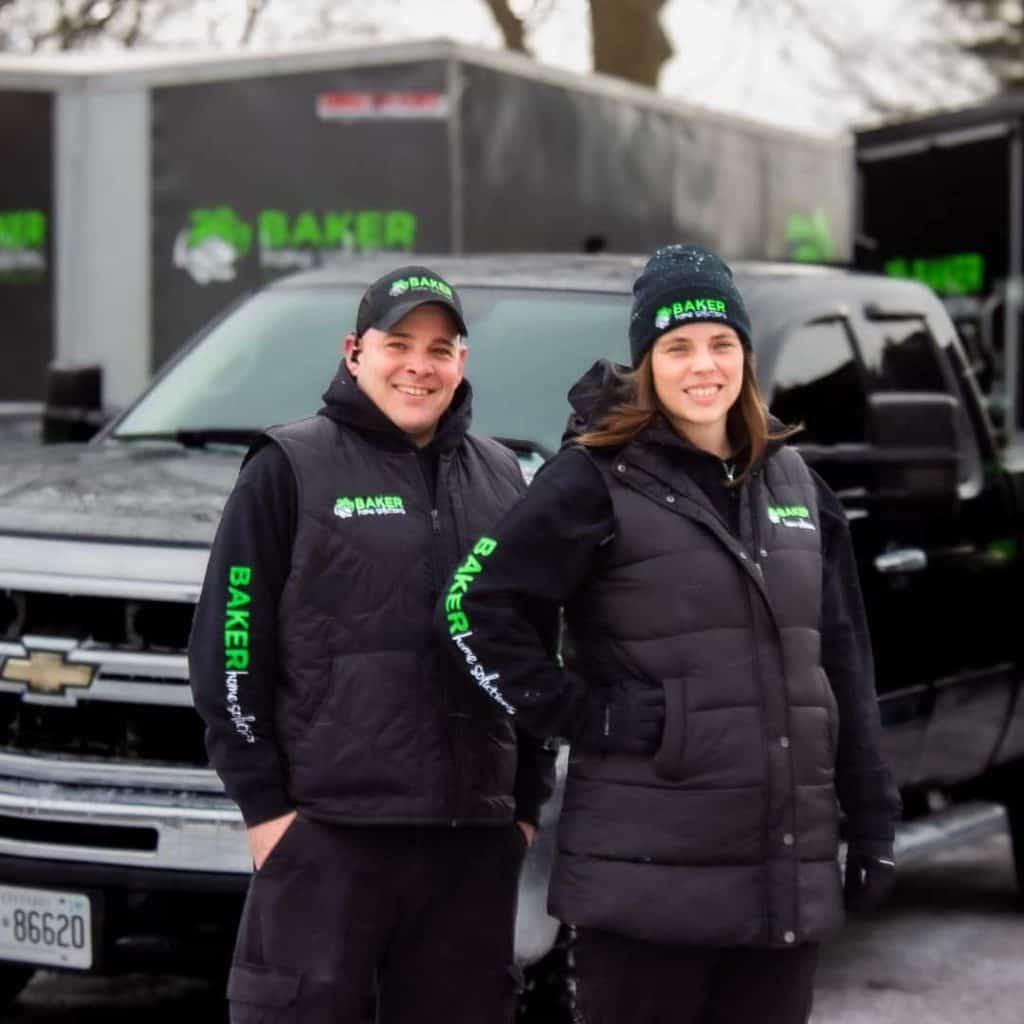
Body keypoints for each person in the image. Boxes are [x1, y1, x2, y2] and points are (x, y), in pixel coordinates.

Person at [438, 245, 901, 1024]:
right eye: (677, 347)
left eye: (721, 344)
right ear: (646, 363)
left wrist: (875, 816)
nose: (702, 366)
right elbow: (474, 611)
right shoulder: (592, 480)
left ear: (746, 357)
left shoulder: (797, 486)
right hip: (644, 885)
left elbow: (841, 663)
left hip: (779, 884)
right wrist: (588, 715)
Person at [189, 264, 554, 1024]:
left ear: (462, 363)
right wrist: (268, 817)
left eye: (442, 347)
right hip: (328, 840)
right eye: (400, 343)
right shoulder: (288, 467)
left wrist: (523, 806)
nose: (420, 365)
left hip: (470, 846)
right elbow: (229, 649)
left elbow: (534, 652)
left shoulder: (502, 479)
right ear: (355, 351)